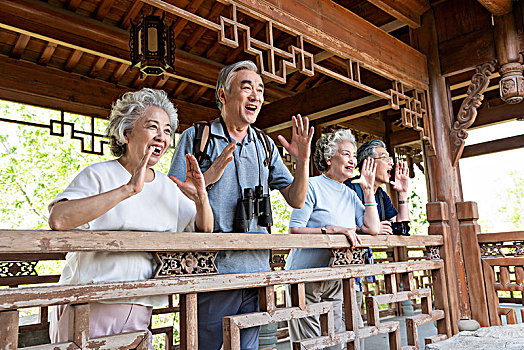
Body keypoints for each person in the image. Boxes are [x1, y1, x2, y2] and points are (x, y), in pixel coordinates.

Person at [47, 88, 213, 349]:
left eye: (168, 130)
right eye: (152, 127)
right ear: (126, 134)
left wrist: (202, 197)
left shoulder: (168, 187)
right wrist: (128, 189)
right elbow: (59, 219)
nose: (162, 136)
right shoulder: (99, 174)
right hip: (90, 301)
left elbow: (204, 232)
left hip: (141, 304)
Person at [168, 60, 313, 349]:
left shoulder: (265, 145)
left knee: (247, 347)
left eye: (259, 90)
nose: (256, 96)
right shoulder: (197, 138)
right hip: (212, 270)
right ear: (222, 96)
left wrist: (302, 161)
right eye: (246, 88)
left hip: (257, 269)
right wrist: (209, 177)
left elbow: (296, 200)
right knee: (203, 345)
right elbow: (172, 198)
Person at [285, 129, 380, 350]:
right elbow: (294, 230)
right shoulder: (312, 185)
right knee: (310, 345)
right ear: (329, 158)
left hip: (335, 278)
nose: (352, 160)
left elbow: (372, 228)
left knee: (336, 342)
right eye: (346, 154)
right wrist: (332, 230)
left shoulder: (350, 193)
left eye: (354, 156)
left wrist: (368, 191)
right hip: (304, 278)